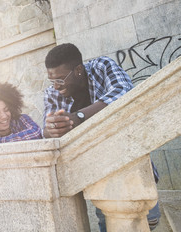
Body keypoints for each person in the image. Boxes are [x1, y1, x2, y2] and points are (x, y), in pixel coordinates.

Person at [42, 43, 160, 231]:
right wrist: (52, 128)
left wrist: (78, 117)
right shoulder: (53, 92)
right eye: (52, 80)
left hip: (126, 157)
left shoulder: (101, 67)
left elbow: (124, 92)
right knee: (106, 221)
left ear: (78, 70)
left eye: (61, 80)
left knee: (149, 218)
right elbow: (46, 131)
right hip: (96, 171)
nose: (56, 86)